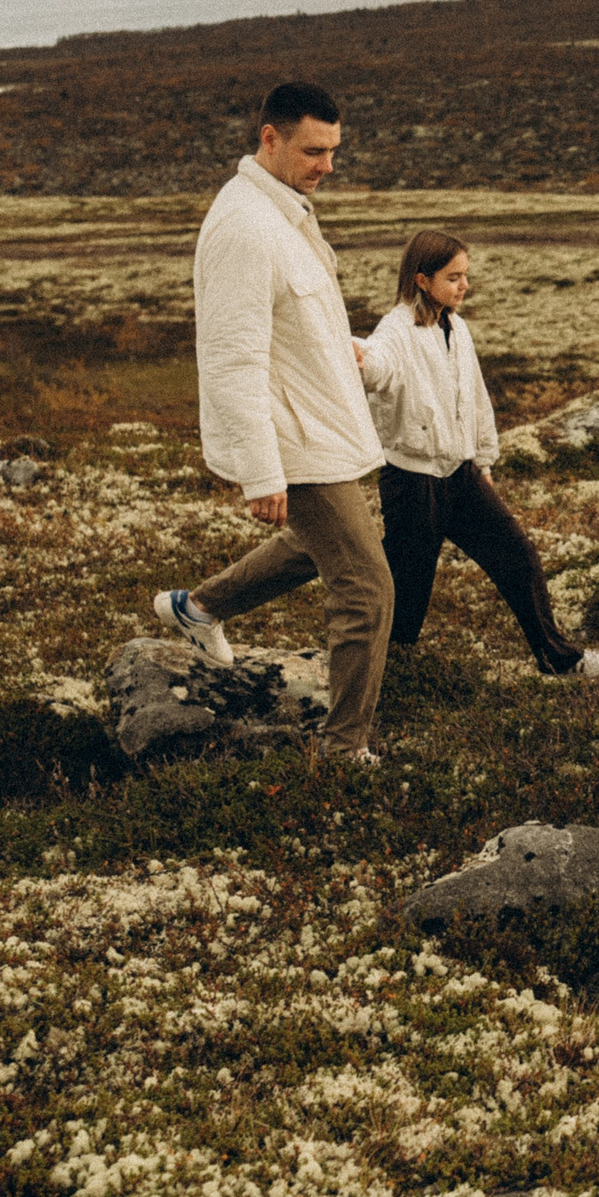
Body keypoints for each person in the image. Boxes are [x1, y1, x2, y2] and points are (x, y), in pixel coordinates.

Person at [151, 81, 395, 760]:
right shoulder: (245, 228)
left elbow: (291, 319)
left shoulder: (282, 209)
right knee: (368, 588)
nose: (327, 166)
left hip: (316, 421)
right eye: (313, 150)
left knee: (317, 545)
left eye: (334, 151)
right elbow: (232, 358)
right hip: (291, 439)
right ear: (270, 139)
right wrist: (263, 470)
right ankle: (344, 751)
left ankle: (197, 608)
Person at [362, 230, 599, 678]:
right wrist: (358, 358)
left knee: (517, 555)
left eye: (465, 276)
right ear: (422, 279)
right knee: (408, 584)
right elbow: (379, 367)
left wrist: (483, 459)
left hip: (460, 475)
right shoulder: (394, 330)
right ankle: (385, 676)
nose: (464, 286)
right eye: (453, 277)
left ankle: (558, 659)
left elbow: (474, 396)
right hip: (411, 481)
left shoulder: (456, 328)